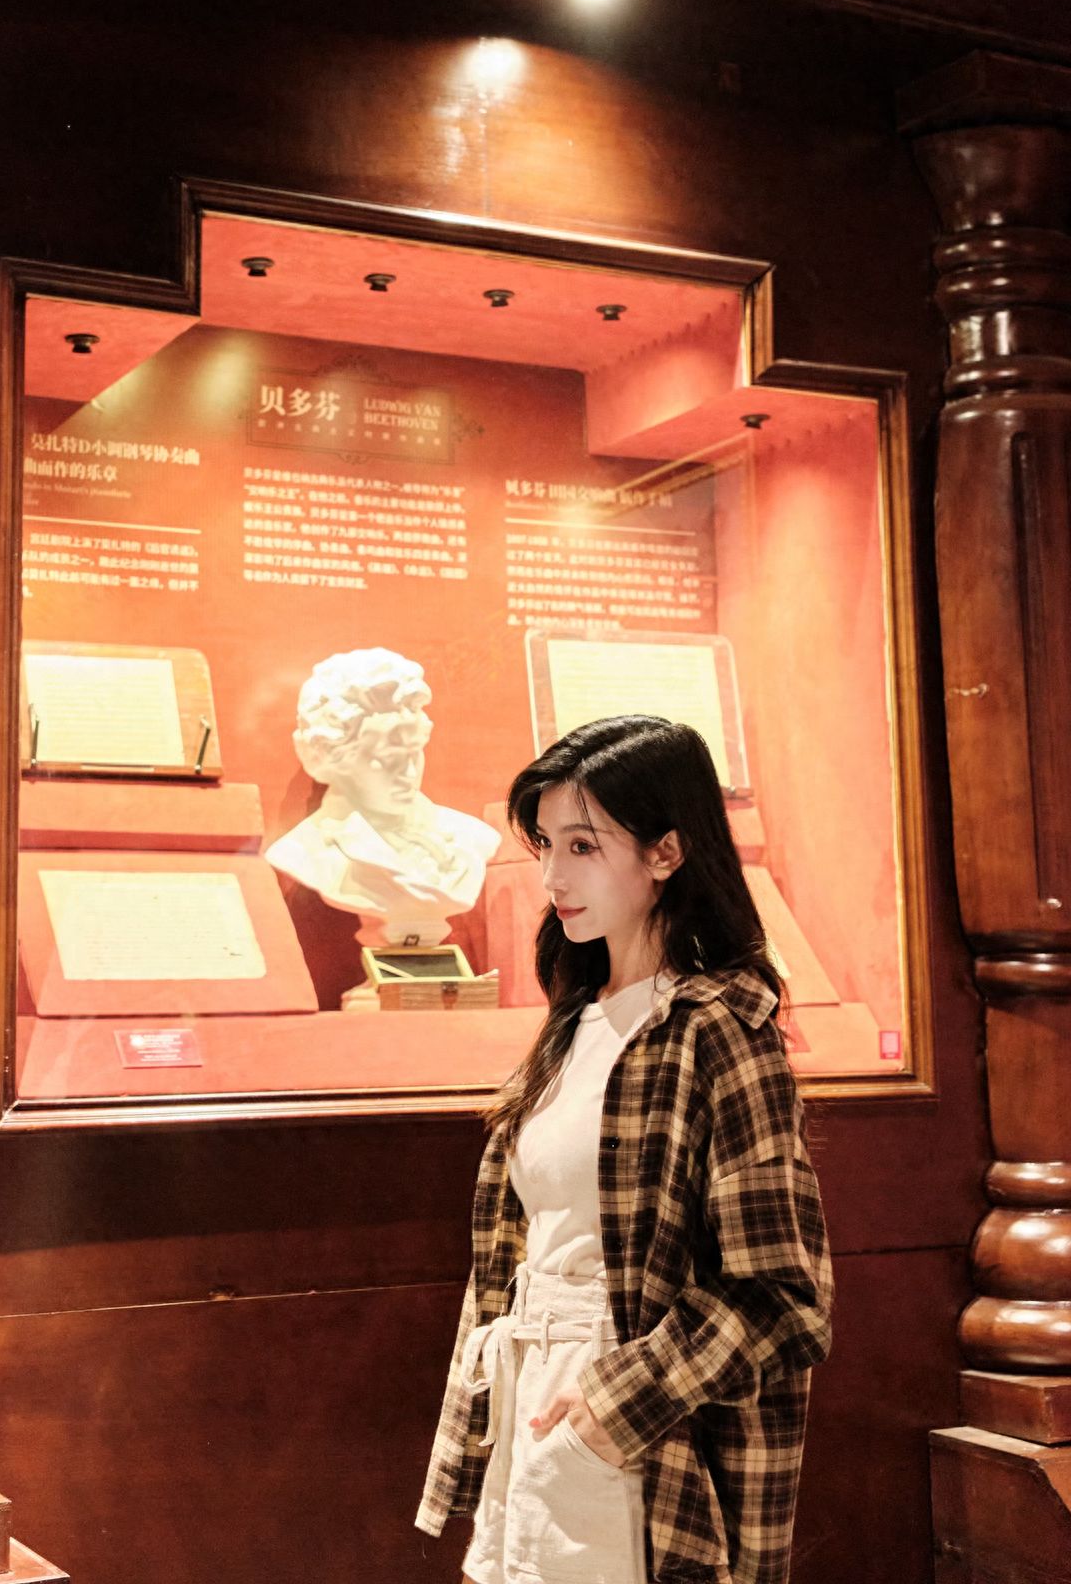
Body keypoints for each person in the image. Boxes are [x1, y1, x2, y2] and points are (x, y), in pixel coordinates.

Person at [416, 715, 833, 1584]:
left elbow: (784, 1297)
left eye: (583, 845)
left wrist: (617, 1401)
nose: (552, 876)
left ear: (667, 853)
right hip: (535, 1399)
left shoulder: (718, 1029)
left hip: (642, 1432)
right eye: (544, 844)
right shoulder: (571, 1022)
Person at [265, 647, 499, 944]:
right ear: (337, 757)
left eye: (415, 750)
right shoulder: (302, 852)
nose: (408, 770)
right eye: (388, 756)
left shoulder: (471, 836)